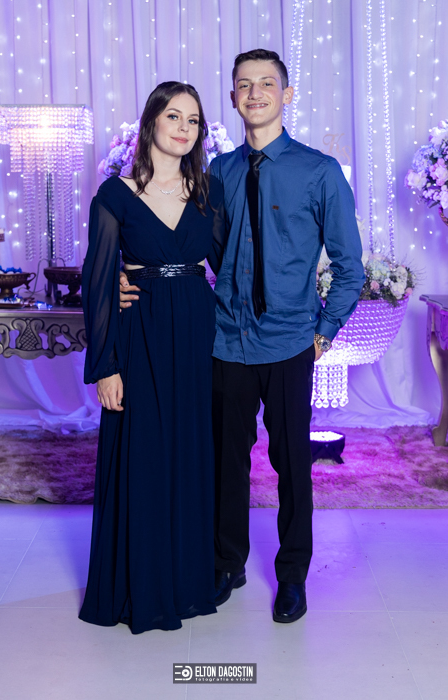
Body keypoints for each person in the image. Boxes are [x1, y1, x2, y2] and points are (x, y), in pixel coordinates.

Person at [120, 49, 365, 625]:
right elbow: (187, 246)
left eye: (266, 83)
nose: (255, 93)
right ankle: (226, 562)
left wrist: (323, 332)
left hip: (289, 342)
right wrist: (131, 279)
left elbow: (350, 268)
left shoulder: (320, 172)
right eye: (244, 85)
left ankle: (293, 575)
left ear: (286, 94)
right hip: (226, 340)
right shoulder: (216, 173)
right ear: (232, 98)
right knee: (224, 461)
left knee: (292, 463)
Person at [79, 81, 224, 635]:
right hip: (138, 336)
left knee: (190, 452)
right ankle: (139, 585)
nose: (184, 128)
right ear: (151, 123)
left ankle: (186, 583)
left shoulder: (208, 193)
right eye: (173, 117)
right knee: (142, 453)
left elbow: (231, 265)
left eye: (193, 120)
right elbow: (98, 281)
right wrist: (106, 366)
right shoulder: (115, 195)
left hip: (197, 336)